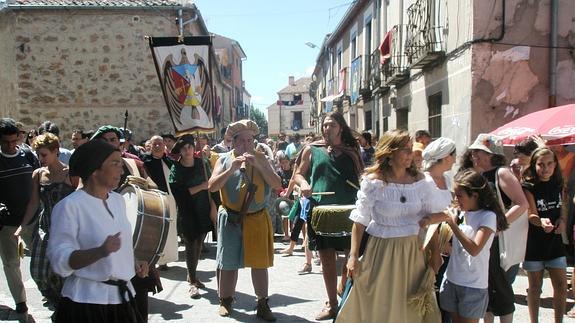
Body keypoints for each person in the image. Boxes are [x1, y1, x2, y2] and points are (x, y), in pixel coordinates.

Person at [336, 129, 440, 323]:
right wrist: (352, 256)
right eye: (406, 150)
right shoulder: (373, 182)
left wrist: (435, 253)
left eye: (411, 149)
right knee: (379, 304)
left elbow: (429, 218)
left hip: (413, 253)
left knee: (409, 306)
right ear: (390, 152)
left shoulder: (422, 183)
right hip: (381, 253)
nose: (412, 154)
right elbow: (359, 221)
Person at [47, 140, 149, 322]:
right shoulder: (70, 206)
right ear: (94, 170)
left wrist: (133, 262)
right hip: (86, 304)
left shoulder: (118, 201)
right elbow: (59, 261)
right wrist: (100, 252)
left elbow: (119, 248)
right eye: (115, 163)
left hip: (123, 299)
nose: (122, 170)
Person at [293, 112, 363, 320]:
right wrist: (304, 184)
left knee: (351, 257)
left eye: (331, 125)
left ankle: (345, 293)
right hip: (321, 211)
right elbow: (298, 174)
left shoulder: (352, 151)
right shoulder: (312, 150)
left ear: (341, 127)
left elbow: (362, 176)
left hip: (350, 212)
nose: (327, 129)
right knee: (327, 260)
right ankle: (332, 304)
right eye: (324, 125)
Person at [208, 120, 281, 321]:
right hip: (231, 220)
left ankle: (262, 303)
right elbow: (212, 187)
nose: (248, 145)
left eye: (251, 140)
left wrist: (260, 165)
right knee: (228, 262)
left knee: (259, 264)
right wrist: (231, 169)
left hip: (257, 219)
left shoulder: (262, 158)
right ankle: (225, 300)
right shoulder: (223, 160)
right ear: (233, 142)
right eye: (243, 141)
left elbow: (277, 184)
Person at [468, 133, 528, 323]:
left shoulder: (501, 173)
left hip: (499, 241)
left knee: (500, 286)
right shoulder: (482, 175)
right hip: (489, 239)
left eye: (478, 151)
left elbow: (522, 203)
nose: (474, 155)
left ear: (489, 153)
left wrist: (498, 226)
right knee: (488, 284)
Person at [439, 169, 507, 323]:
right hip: (452, 279)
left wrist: (453, 225)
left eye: (460, 196)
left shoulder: (488, 216)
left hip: (473, 285)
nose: (456, 199)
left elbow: (474, 249)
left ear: (474, 195)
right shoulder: (462, 213)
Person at [17, 133, 77, 309]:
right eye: (38, 154)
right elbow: (34, 203)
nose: (40, 158)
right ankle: (53, 299)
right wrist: (22, 226)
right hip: (46, 227)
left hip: (67, 229)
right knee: (37, 270)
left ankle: (64, 305)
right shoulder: (38, 174)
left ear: (56, 151)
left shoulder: (70, 174)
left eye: (43, 154)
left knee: (63, 271)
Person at [521, 148, 567, 322]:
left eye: (549, 164)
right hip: (533, 243)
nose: (545, 168)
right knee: (534, 287)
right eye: (541, 164)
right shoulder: (528, 187)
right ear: (534, 165)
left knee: (562, 286)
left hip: (554, 243)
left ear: (555, 165)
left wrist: (562, 220)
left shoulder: (558, 184)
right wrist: (541, 222)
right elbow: (531, 214)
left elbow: (562, 207)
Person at [0, 118, 39, 314]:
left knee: (40, 258)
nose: (10, 145)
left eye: (13, 141)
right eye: (5, 141)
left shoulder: (27, 155)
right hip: (6, 224)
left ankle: (49, 293)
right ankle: (20, 302)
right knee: (11, 263)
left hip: (31, 219)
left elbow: (38, 180)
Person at [169, 134, 214, 299]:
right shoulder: (176, 169)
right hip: (187, 211)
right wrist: (201, 186)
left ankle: (192, 276)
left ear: (194, 148)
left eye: (190, 146)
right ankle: (192, 282)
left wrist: (213, 206)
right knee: (190, 245)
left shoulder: (203, 163)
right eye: (184, 148)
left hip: (202, 208)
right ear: (180, 150)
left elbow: (212, 185)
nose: (187, 150)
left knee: (199, 242)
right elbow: (179, 194)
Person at [421, 137, 457, 323]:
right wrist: (436, 251)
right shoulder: (425, 182)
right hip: (430, 243)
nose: (456, 160)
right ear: (446, 157)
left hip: (449, 241)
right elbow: (427, 219)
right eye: (453, 156)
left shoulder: (448, 179)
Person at [141, 136, 178, 271]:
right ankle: (152, 260)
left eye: (160, 144)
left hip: (170, 199)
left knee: (169, 229)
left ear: (164, 146)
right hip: (153, 199)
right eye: (155, 144)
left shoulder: (170, 161)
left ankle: (165, 259)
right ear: (150, 146)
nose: (158, 146)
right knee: (154, 230)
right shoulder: (144, 161)